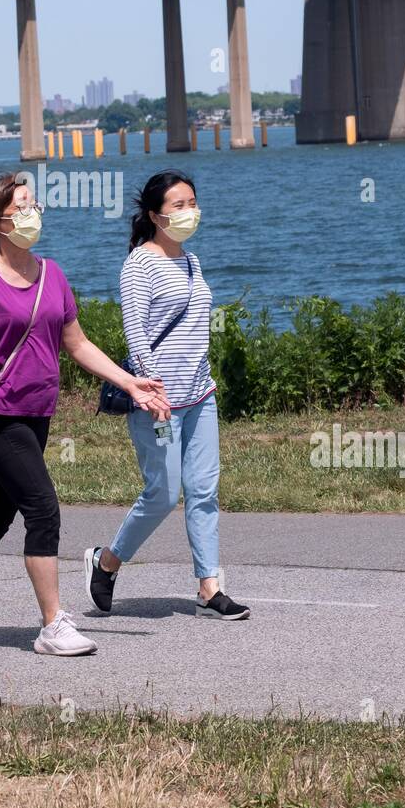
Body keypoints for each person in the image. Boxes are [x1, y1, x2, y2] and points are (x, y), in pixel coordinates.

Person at [0, 171, 170, 656]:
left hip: (36, 411)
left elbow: (75, 343)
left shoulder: (51, 273)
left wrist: (129, 381)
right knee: (42, 507)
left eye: (34, 204)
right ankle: (54, 625)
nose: (33, 214)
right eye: (22, 207)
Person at [84, 170, 250, 621]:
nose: (189, 211)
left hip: (200, 395)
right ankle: (106, 562)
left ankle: (209, 589)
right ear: (156, 214)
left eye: (192, 202)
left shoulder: (192, 260)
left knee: (204, 492)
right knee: (163, 494)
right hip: (156, 399)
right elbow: (135, 332)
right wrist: (148, 386)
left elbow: (195, 331)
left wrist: (202, 378)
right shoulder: (141, 262)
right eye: (178, 204)